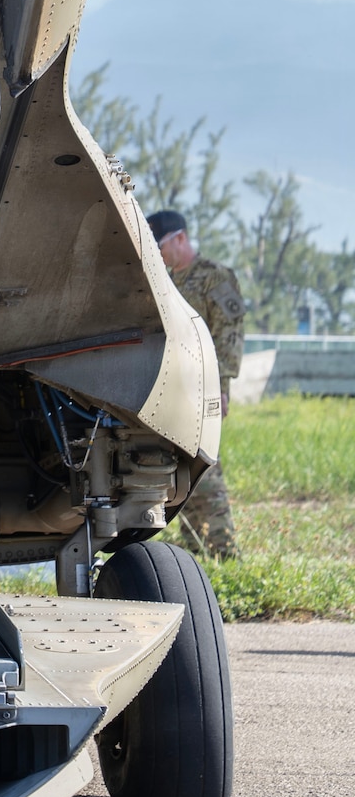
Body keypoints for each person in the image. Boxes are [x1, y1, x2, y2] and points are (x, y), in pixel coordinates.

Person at [148, 209, 244, 558]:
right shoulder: (165, 282)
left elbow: (229, 332)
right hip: (173, 391)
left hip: (205, 390)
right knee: (179, 469)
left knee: (206, 467)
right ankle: (196, 547)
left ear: (181, 238)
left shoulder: (213, 277)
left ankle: (225, 550)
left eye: (160, 245)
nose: (157, 253)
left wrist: (221, 384)